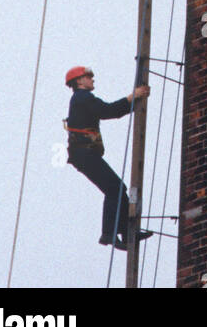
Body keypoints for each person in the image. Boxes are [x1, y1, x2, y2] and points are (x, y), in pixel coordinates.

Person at [64, 65, 153, 250]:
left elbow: (111, 112)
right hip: (84, 154)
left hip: (84, 154)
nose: (92, 79)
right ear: (79, 81)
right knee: (115, 188)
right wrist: (132, 97)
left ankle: (122, 232)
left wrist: (133, 101)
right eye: (89, 77)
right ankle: (109, 233)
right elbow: (107, 111)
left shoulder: (81, 98)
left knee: (116, 188)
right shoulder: (82, 97)